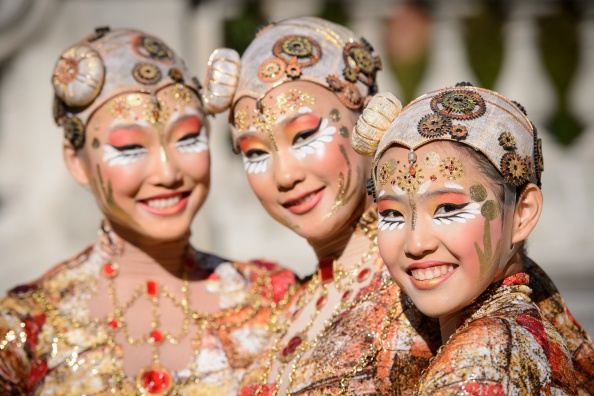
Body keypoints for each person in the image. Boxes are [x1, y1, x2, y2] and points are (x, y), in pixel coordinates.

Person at [0, 27, 294, 395]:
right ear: (76, 162)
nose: (168, 173)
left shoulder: (273, 300)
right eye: (130, 149)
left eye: (188, 139)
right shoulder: (27, 329)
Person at [207, 17, 442, 395]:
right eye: (255, 152)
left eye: (303, 135)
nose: (284, 175)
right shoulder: (284, 309)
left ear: (369, 119)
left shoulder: (435, 279)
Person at [352, 85, 585, 393]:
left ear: (522, 214)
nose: (415, 243)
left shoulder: (486, 361)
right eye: (392, 215)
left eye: (448, 208)